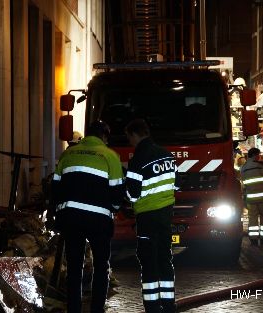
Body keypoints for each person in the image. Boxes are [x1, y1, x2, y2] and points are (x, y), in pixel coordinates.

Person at [49, 120, 124, 313]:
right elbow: (116, 192)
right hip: (98, 220)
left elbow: (55, 188)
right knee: (101, 266)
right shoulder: (110, 156)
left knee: (74, 267)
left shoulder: (68, 154)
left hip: (71, 218)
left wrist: (56, 214)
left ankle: (74, 309)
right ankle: (96, 309)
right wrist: (114, 208)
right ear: (104, 136)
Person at [125, 118, 176, 313]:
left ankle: (153, 306)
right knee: (165, 258)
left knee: (148, 260)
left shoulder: (138, 159)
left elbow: (133, 194)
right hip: (165, 215)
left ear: (135, 135)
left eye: (129, 137)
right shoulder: (167, 156)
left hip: (146, 217)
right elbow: (176, 184)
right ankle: (169, 304)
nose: (129, 141)